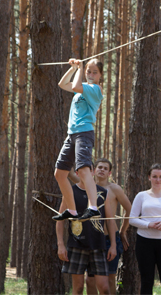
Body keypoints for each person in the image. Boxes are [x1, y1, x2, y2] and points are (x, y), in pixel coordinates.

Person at [53, 58, 104, 221]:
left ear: (100, 75)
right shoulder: (82, 89)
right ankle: (72, 210)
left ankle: (93, 207)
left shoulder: (95, 89)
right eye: (89, 71)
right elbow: (62, 84)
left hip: (84, 132)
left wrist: (81, 67)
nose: (90, 74)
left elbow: (75, 86)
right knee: (60, 173)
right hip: (72, 134)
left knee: (83, 169)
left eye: (94, 72)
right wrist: (74, 68)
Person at [56, 164, 117, 295]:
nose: (86, 174)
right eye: (82, 171)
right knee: (78, 288)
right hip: (77, 244)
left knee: (104, 287)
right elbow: (60, 220)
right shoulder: (70, 191)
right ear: (77, 173)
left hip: (98, 245)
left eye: (89, 171)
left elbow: (110, 221)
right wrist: (60, 244)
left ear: (93, 172)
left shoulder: (102, 192)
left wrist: (113, 245)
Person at [129, 163, 161, 295]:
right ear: (149, 177)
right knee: (147, 281)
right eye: (154, 176)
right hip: (145, 242)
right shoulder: (141, 196)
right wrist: (148, 225)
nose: (158, 180)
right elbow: (132, 219)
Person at [86, 158, 132, 295]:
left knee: (110, 280)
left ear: (109, 173)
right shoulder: (87, 187)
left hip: (110, 239)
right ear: (94, 171)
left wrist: (123, 231)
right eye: (99, 167)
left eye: (105, 168)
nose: (102, 170)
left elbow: (129, 210)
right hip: (92, 239)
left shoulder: (115, 189)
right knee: (90, 280)